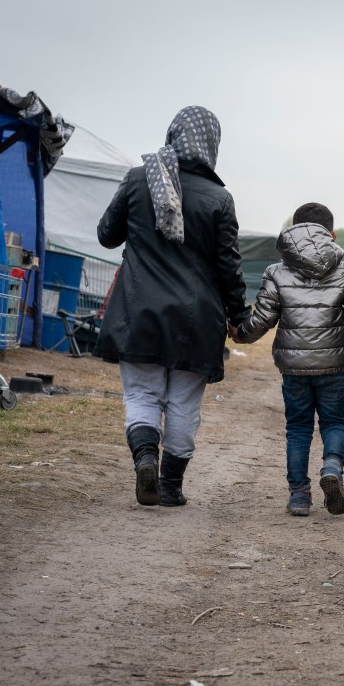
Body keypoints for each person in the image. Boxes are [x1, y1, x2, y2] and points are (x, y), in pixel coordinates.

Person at [93, 106, 250, 508]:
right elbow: (229, 268)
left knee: (143, 395)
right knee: (182, 403)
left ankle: (145, 457)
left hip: (138, 311)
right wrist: (239, 317)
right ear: (212, 144)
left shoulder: (138, 179)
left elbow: (107, 236)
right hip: (196, 322)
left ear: (173, 134)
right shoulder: (220, 198)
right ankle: (170, 487)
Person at [231, 203, 344, 516]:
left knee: (298, 429)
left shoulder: (276, 272)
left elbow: (259, 322)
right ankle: (331, 468)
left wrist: (238, 333)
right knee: (334, 423)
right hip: (333, 366)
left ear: (292, 232)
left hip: (293, 369)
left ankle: (299, 496)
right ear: (332, 234)